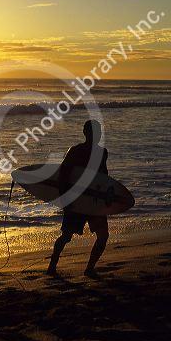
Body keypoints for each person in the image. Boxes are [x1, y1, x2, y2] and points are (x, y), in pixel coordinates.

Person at [47, 119, 109, 279]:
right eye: (94, 132)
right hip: (76, 200)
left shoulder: (103, 153)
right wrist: (66, 199)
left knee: (103, 235)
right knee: (67, 236)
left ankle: (89, 268)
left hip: (94, 202)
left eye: (99, 132)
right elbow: (63, 175)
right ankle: (52, 266)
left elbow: (105, 178)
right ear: (86, 133)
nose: (97, 135)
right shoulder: (74, 151)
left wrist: (107, 198)